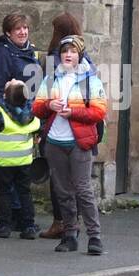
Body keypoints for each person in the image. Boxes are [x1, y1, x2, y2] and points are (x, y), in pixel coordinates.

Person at [32, 34, 106, 255]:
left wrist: (72, 111)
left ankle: (95, 237)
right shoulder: (51, 79)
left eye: (73, 52)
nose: (68, 55)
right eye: (65, 51)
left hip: (78, 142)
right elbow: (36, 108)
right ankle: (69, 234)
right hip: (55, 141)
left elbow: (99, 111)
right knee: (63, 191)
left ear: (79, 55)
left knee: (83, 189)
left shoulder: (90, 80)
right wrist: (49, 106)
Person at [37, 12, 90, 239]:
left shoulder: (55, 58)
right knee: (78, 182)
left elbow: (43, 97)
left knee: (60, 181)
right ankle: (79, 226)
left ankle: (63, 224)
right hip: (82, 128)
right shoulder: (84, 56)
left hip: (59, 126)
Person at [0, 11, 41, 228]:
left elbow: (38, 84)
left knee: (23, 173)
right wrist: (16, 114)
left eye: (25, 28)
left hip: (31, 115)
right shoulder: (3, 53)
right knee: (11, 176)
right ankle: (14, 219)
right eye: (17, 29)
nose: (23, 32)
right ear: (8, 33)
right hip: (12, 116)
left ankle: (23, 219)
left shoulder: (32, 51)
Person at [0, 80, 40, 238]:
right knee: (25, 192)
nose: (11, 79)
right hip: (24, 160)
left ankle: (4, 226)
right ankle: (29, 226)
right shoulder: (31, 111)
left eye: (11, 82)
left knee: (4, 193)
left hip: (3, 161)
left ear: (5, 95)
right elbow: (39, 128)